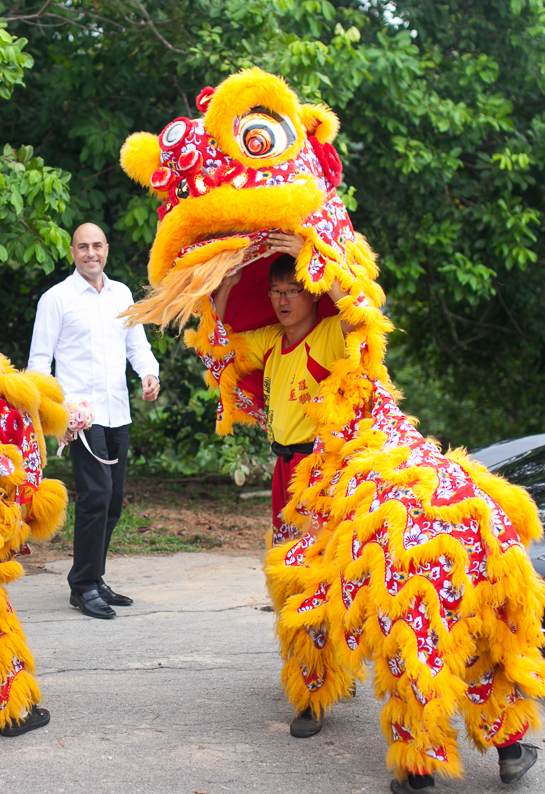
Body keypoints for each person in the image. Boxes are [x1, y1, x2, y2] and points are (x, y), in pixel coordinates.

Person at [212, 233, 355, 739]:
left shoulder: (333, 332)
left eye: (293, 288)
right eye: (276, 291)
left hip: (325, 476)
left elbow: (364, 320)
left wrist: (309, 252)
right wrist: (226, 283)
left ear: (313, 290)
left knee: (321, 579)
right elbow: (217, 347)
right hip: (283, 476)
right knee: (292, 581)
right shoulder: (272, 342)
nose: (283, 300)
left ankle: (317, 689)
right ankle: (316, 678)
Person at [28, 223, 161, 620]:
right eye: (83, 246)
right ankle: (83, 586)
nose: (91, 253)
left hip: (117, 410)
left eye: (97, 245)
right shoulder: (56, 299)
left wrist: (149, 374)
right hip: (81, 417)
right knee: (96, 496)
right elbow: (39, 362)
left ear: (106, 249)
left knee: (114, 501)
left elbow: (137, 344)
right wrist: (58, 409)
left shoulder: (120, 294)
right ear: (72, 251)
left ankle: (95, 577)